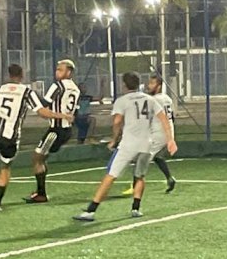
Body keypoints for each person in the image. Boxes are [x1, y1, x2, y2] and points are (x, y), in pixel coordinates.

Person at [73, 72, 177, 221]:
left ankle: (91, 210)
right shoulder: (150, 100)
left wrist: (114, 139)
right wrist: (170, 140)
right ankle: (136, 208)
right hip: (147, 143)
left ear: (124, 85)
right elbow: (164, 120)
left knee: (111, 175)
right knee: (140, 175)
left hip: (128, 144)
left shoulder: (122, 101)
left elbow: (116, 122)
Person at [0, 64, 74, 211]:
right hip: (10, 135)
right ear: (22, 75)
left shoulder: (0, 89)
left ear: (9, 75)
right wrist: (62, 115)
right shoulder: (26, 92)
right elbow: (41, 111)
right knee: (5, 166)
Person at [25, 60, 81, 204]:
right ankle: (40, 190)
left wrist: (31, 96)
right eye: (57, 69)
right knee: (41, 158)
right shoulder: (76, 88)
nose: (57, 72)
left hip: (56, 130)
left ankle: (41, 193)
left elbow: (44, 103)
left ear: (69, 72)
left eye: (60, 70)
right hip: (67, 129)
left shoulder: (58, 85)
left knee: (37, 158)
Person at [122, 74, 177, 195]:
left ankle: (135, 186)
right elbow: (173, 117)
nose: (149, 86)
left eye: (152, 84)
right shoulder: (167, 98)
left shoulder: (155, 100)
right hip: (166, 133)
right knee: (157, 157)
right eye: (149, 83)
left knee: (140, 158)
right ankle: (170, 179)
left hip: (158, 134)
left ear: (159, 86)